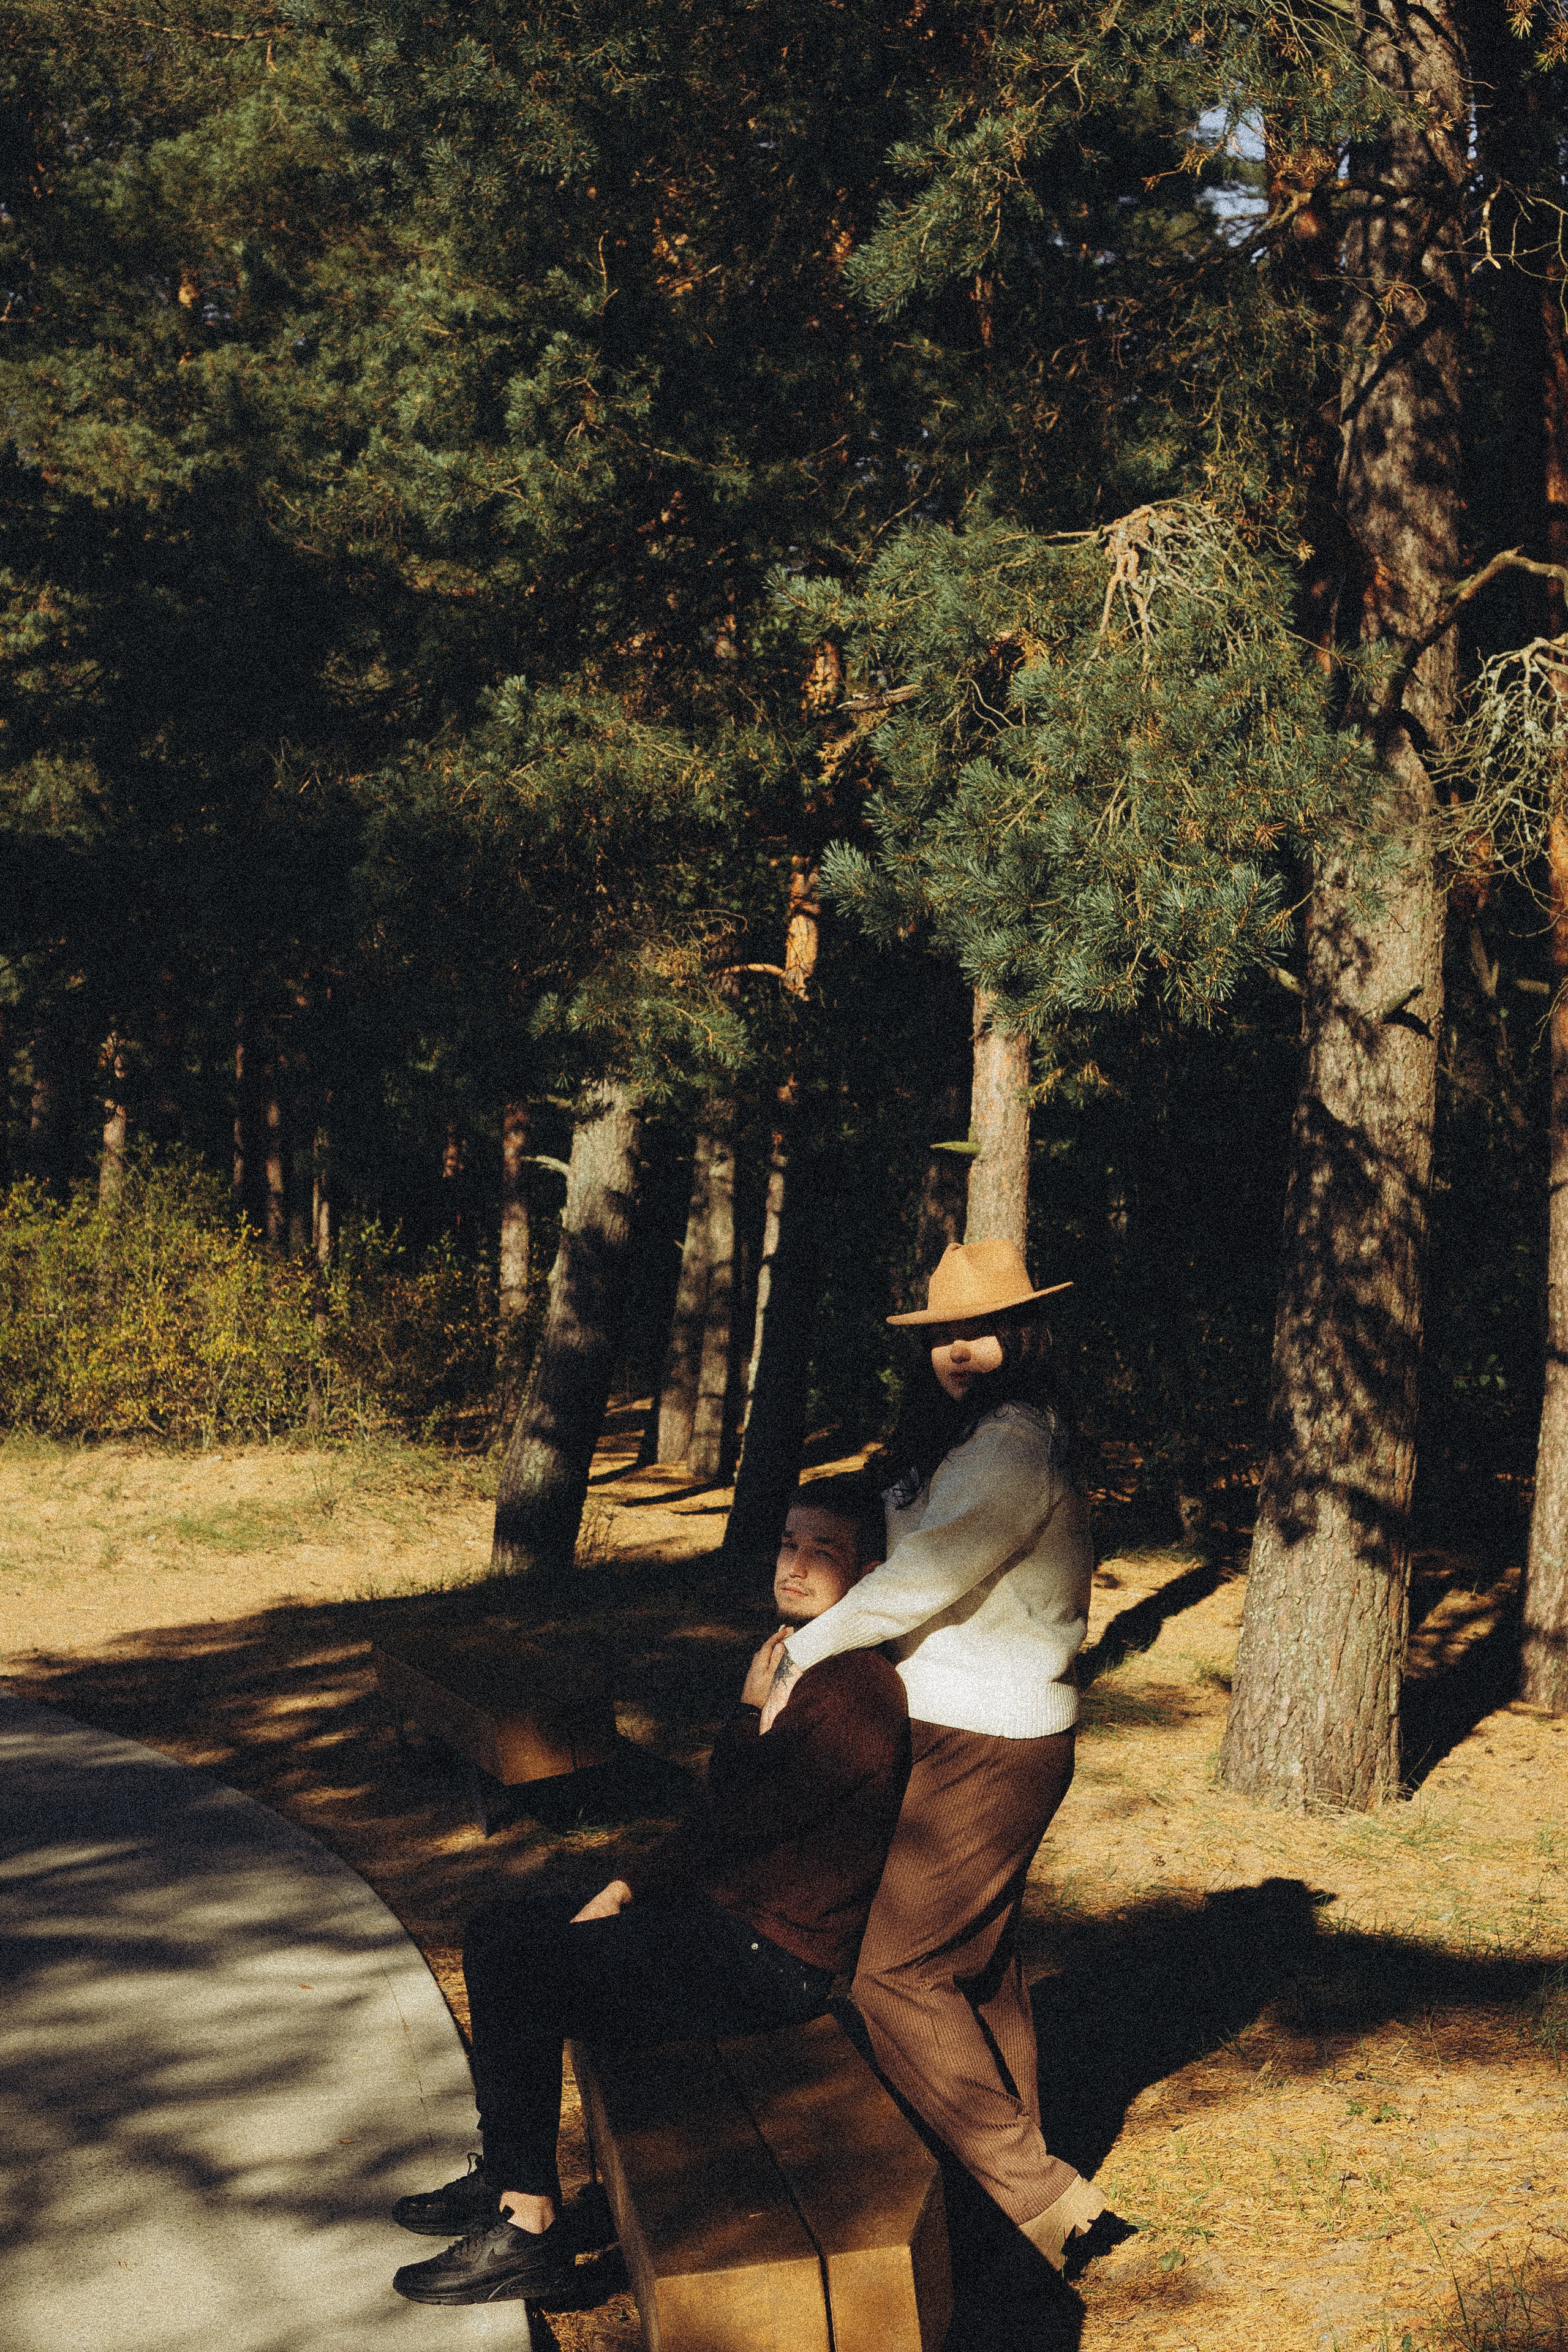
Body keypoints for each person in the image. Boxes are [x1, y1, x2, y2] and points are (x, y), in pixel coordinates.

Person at [390, 1476, 908, 2309]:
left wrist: (745, 1717)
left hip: (770, 1960)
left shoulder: (853, 1691)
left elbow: (743, 1815)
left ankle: (528, 2228)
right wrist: (628, 1885)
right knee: (498, 1931)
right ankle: (508, 2176)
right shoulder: (805, 1660)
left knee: (526, 1965)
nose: (798, 1564)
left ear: (872, 1573)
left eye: (825, 1550)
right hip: (721, 1922)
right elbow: (716, 1825)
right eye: (788, 1543)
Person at [760, 1235, 1104, 2272]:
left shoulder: (1013, 1443)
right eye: (948, 1334)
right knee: (975, 1965)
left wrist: (801, 1657)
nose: (963, 1350)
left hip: (993, 1733)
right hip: (958, 1721)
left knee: (892, 1969)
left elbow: (928, 1577)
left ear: (1025, 1335)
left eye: (985, 1332)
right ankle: (1009, 2197)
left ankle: (1044, 2202)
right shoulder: (964, 1436)